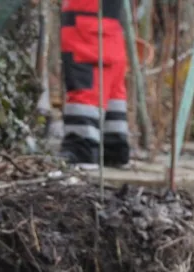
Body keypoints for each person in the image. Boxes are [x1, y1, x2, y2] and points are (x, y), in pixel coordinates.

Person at [59, 0, 131, 168]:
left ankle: (81, 149)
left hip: (85, 30)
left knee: (85, 90)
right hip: (109, 29)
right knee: (113, 92)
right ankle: (114, 148)